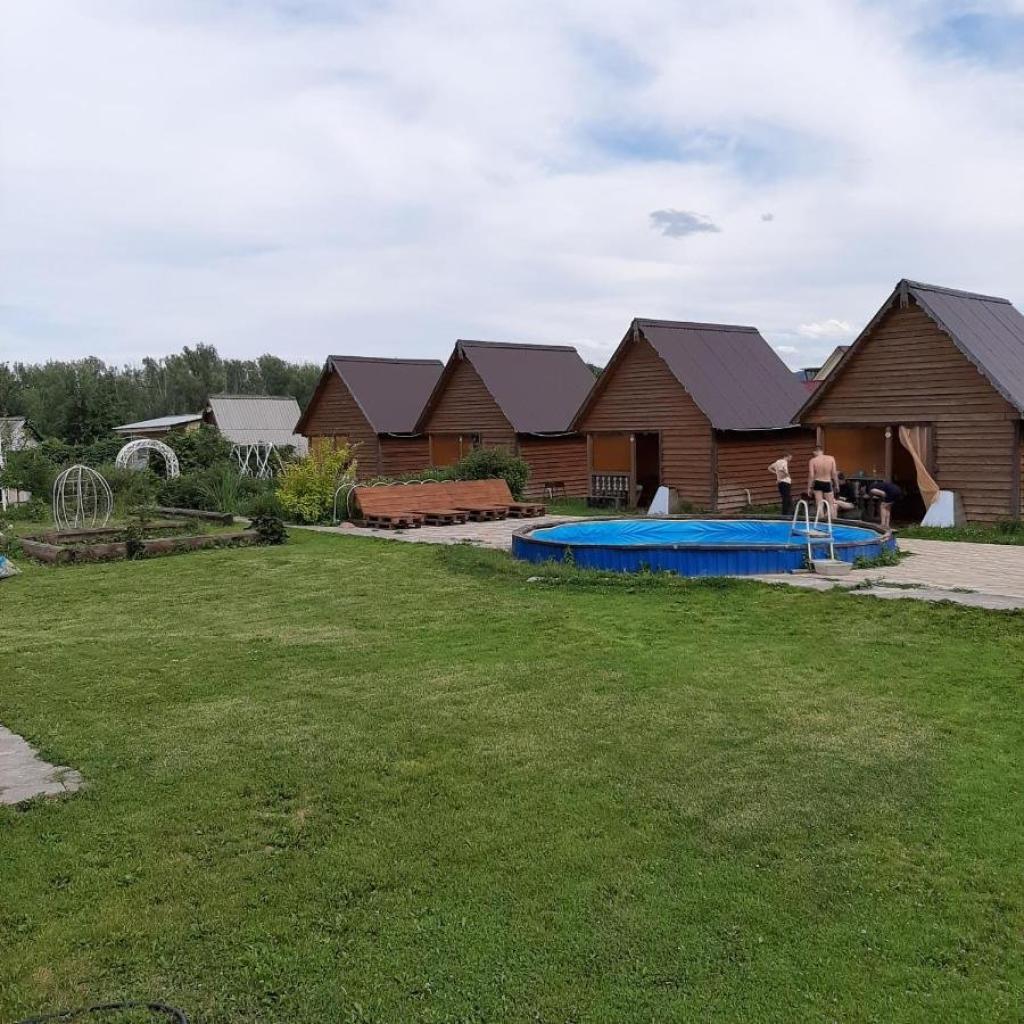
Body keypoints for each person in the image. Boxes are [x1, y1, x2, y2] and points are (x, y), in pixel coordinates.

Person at [807, 445, 839, 519]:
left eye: (813, 452)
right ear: (822, 451)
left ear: (815, 452)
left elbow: (811, 475)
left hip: (818, 482)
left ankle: (820, 522)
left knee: (819, 504)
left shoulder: (812, 460)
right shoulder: (831, 458)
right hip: (827, 482)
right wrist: (837, 485)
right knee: (831, 504)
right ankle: (833, 521)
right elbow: (834, 473)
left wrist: (809, 488)